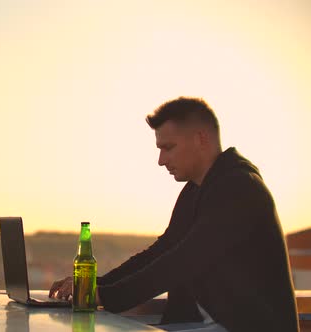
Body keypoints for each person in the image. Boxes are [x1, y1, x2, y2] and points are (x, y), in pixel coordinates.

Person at [49, 97, 299, 332]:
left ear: (201, 139)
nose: (160, 160)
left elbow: (183, 260)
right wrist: (95, 285)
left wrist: (106, 295)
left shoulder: (239, 186)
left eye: (168, 148)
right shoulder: (196, 189)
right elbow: (162, 250)